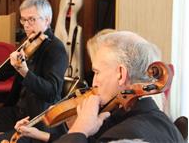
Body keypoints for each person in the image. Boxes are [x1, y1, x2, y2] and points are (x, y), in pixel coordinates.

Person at [13, 30, 184, 143]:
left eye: (97, 72)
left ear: (120, 74)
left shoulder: (123, 135)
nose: (93, 83)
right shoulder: (162, 123)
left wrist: (80, 128)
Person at [0, 0, 68, 143]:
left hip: (38, 120)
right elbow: (2, 69)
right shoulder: (28, 41)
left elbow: (51, 92)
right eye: (23, 20)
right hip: (18, 111)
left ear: (47, 20)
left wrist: (25, 72)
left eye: (31, 19)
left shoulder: (56, 49)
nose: (26, 25)